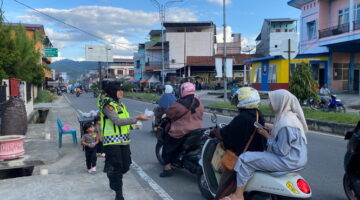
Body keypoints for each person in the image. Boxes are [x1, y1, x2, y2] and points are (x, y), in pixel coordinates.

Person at [221, 89, 308, 200]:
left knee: (244, 159)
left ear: (280, 102)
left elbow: (281, 151)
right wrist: (272, 131)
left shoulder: (286, 124)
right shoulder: (288, 117)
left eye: (272, 101)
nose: (269, 104)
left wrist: (266, 135)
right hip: (297, 158)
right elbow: (287, 139)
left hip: (288, 160)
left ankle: (238, 195)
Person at [210, 87, 267, 199]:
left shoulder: (242, 118)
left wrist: (215, 131)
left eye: (238, 99)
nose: (236, 102)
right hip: (257, 153)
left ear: (245, 101)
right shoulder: (258, 114)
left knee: (222, 190)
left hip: (241, 157)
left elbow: (225, 135)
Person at [100, 82, 148, 200]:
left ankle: (110, 172)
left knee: (126, 166)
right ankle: (119, 194)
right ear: (112, 91)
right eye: (118, 90)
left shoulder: (120, 104)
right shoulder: (108, 105)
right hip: (111, 142)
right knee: (118, 167)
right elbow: (117, 121)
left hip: (124, 141)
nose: (121, 92)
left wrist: (135, 125)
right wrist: (136, 118)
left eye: (122, 89)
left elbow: (125, 122)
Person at [160, 82, 204, 177]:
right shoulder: (199, 102)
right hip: (197, 130)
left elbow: (169, 114)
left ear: (182, 91)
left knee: (168, 144)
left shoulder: (179, 104)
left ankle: (167, 168)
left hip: (181, 131)